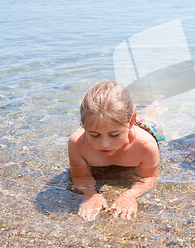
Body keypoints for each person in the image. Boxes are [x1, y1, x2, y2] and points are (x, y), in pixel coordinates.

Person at [68, 81, 160, 221]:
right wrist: (89, 195)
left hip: (145, 127)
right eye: (94, 134)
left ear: (130, 122)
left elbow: (149, 178)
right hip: (120, 122)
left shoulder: (145, 145)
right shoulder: (77, 143)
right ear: (83, 125)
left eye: (114, 135)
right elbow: (80, 177)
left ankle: (153, 104)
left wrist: (130, 195)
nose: (104, 144)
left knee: (152, 116)